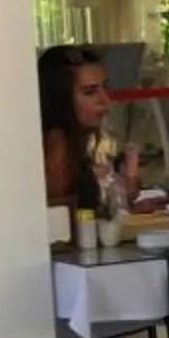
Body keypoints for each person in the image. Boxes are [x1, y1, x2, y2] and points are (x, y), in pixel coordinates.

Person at [38, 45, 136, 214]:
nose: (104, 100)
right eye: (90, 92)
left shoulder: (74, 142)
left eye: (105, 88)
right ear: (61, 98)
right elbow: (64, 217)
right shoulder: (59, 148)